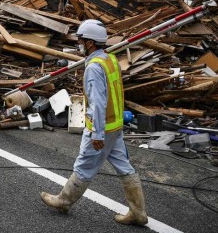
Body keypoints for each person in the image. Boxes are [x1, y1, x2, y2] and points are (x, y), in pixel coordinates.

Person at [40, 19, 148, 225]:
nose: (79, 43)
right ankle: (138, 212)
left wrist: (97, 134)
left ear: (90, 43)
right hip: (115, 126)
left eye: (80, 40)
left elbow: (97, 103)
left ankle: (64, 201)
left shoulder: (94, 68)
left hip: (102, 128)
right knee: (124, 166)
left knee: (84, 166)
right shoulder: (110, 60)